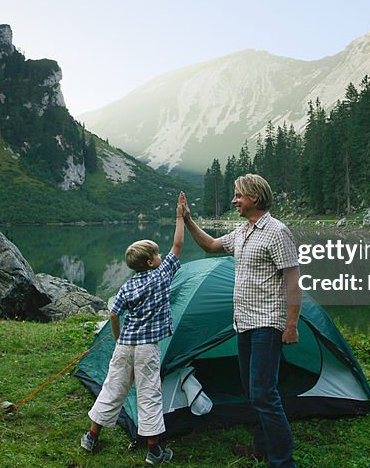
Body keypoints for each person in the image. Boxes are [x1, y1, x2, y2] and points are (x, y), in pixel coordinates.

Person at [181, 174, 301, 468]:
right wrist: (187, 219)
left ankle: (283, 462)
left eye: (238, 196)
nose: (234, 201)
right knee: (253, 391)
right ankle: (262, 447)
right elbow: (210, 245)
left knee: (264, 394)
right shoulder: (243, 231)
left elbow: (293, 281)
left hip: (267, 325)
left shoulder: (277, 232)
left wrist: (291, 325)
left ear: (255, 198)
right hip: (243, 323)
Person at [80, 192, 187, 466]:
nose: (162, 256)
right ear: (151, 262)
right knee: (149, 391)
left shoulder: (128, 285)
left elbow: (114, 313)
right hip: (147, 348)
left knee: (113, 386)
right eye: (157, 254)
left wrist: (117, 338)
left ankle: (92, 436)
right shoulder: (162, 275)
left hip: (126, 345)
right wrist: (179, 216)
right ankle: (154, 451)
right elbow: (178, 245)